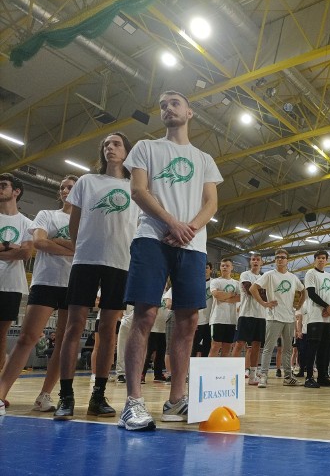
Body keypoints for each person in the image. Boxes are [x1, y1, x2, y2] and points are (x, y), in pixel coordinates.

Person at [120, 90, 223, 431]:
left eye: (174, 103)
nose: (167, 108)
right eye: (162, 105)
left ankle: (176, 399)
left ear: (190, 112)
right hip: (152, 238)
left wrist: (189, 227)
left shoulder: (205, 158)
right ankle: (133, 401)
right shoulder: (146, 148)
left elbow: (211, 203)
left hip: (192, 244)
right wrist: (172, 223)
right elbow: (138, 191)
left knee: (188, 319)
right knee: (145, 314)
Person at [53, 132, 138, 421]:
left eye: (116, 143)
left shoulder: (135, 188)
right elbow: (74, 226)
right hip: (86, 260)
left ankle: (98, 396)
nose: (110, 148)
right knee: (73, 326)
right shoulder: (87, 182)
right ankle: (65, 397)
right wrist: (86, 246)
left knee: (107, 332)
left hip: (120, 264)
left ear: (126, 151)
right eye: (105, 144)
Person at [0, 175, 75, 415]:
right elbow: (40, 244)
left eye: (71, 187)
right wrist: (69, 245)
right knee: (27, 337)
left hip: (73, 284)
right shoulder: (46, 214)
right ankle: (1, 393)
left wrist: (55, 241)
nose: (65, 190)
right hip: (45, 281)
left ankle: (45, 395)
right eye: (62, 187)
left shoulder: (86, 220)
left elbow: (84, 247)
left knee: (63, 343)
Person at [250, 249, 305, 388]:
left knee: (287, 349)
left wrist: (299, 304)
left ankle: (288, 377)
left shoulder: (292, 277)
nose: (280, 259)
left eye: (282, 257)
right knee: (269, 348)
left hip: (289, 318)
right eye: (277, 257)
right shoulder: (269, 275)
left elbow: (303, 291)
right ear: (275, 260)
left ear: (287, 260)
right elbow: (252, 288)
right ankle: (263, 376)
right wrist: (264, 303)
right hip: (274, 316)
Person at [0, 173, 33, 385]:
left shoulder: (27, 223)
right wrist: (9, 246)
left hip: (10, 284)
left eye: (3, 185)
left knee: (1, 336)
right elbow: (18, 250)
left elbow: (26, 253)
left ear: (16, 191)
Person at [302, 250, 330, 388]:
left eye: (323, 258)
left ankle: (322, 376)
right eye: (318, 258)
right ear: (314, 260)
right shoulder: (310, 273)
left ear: (327, 260)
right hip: (315, 315)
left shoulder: (329, 275)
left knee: (325, 348)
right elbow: (311, 293)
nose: (321, 260)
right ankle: (309, 377)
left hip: (326, 317)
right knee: (313, 347)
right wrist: (326, 306)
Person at [231, 253, 266, 386]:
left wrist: (263, 293)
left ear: (262, 262)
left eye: (258, 259)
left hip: (261, 315)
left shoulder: (264, 277)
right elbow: (250, 290)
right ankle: (232, 374)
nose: (255, 261)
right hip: (246, 314)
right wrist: (262, 292)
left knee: (256, 345)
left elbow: (267, 295)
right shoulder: (245, 275)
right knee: (239, 344)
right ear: (250, 262)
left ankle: (252, 376)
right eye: (253, 259)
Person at [209, 258, 240, 357]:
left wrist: (225, 297)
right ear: (220, 268)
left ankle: (222, 372)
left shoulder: (236, 283)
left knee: (227, 348)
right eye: (222, 266)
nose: (224, 267)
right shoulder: (215, 281)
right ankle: (209, 371)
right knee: (215, 347)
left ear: (232, 268)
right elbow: (216, 294)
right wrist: (231, 294)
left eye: (227, 265)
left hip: (231, 320)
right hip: (218, 319)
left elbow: (239, 297)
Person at [192, 262, 214, 357]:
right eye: (202, 267)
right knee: (194, 345)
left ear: (211, 270)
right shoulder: (195, 282)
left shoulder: (214, 282)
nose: (204, 269)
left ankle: (205, 368)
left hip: (211, 319)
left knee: (207, 345)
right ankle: (189, 369)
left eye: (207, 267)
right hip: (198, 319)